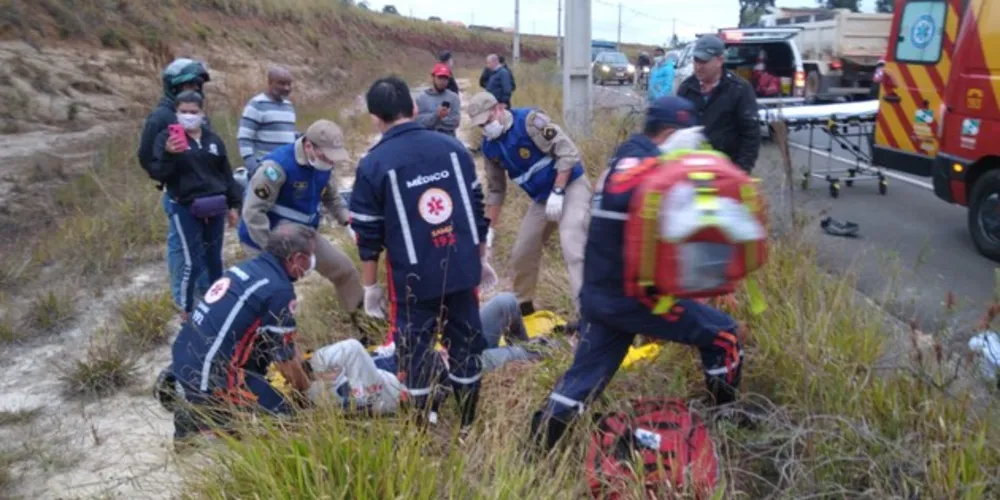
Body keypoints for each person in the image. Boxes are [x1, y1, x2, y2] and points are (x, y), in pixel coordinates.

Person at [528, 96, 745, 453]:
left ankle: (536, 452)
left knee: (581, 383)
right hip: (636, 299)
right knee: (724, 336)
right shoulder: (656, 171)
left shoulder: (624, 157)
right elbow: (675, 237)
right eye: (692, 134)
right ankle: (726, 428)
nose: (695, 143)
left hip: (599, 296)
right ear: (673, 132)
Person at [349, 76, 492, 430]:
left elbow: (368, 235)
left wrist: (370, 288)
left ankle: (422, 428)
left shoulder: (373, 165)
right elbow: (476, 210)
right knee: (466, 345)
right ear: (413, 109)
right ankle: (468, 424)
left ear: (375, 118)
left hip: (413, 281)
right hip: (461, 268)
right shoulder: (454, 150)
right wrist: (481, 257)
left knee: (414, 352)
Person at [169, 222, 316, 446]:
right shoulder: (279, 290)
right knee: (289, 421)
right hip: (210, 376)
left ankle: (198, 405)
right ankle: (205, 419)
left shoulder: (253, 268)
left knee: (261, 355)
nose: (313, 261)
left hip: (184, 356)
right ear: (297, 259)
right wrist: (306, 394)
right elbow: (285, 359)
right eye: (310, 256)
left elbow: (281, 341)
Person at [306, 293, 551, 415]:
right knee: (534, 349)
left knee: (506, 301)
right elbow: (350, 348)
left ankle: (524, 368)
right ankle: (540, 355)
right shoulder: (367, 393)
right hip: (458, 366)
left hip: (449, 344)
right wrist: (309, 368)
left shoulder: (356, 369)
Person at [237, 119, 368, 336]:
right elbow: (253, 213)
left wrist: (347, 220)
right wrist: (273, 253)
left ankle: (361, 326)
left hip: (303, 236)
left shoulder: (323, 165)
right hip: (264, 239)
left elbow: (332, 197)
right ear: (309, 147)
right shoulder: (276, 168)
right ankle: (271, 347)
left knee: (345, 271)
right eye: (326, 157)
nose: (331, 162)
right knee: (277, 294)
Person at [467, 91, 591, 317]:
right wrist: (489, 231)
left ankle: (588, 316)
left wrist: (558, 190)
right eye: (481, 126)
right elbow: (496, 190)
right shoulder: (490, 148)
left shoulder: (530, 122)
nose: (486, 128)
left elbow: (568, 153)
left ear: (499, 108)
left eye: (488, 121)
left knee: (572, 244)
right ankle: (522, 309)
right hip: (543, 199)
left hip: (571, 184)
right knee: (522, 252)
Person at [149, 91, 242, 318]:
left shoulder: (213, 141)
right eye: (184, 112)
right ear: (176, 113)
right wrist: (169, 154)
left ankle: (216, 304)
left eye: (194, 112)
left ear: (202, 113)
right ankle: (186, 309)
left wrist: (233, 205)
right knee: (191, 260)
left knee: (214, 258)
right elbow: (158, 173)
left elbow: (226, 175)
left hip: (216, 206)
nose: (189, 116)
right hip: (185, 207)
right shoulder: (166, 139)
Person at [137, 58, 213, 314]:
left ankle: (205, 294)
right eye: (187, 84)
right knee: (181, 248)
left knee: (203, 246)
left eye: (197, 83)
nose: (193, 88)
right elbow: (146, 157)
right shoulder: (161, 117)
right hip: (180, 194)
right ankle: (183, 301)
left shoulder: (194, 111)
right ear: (172, 86)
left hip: (204, 193)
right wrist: (166, 171)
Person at [676, 34, 760, 173]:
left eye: (704, 61)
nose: (698, 66)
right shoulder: (686, 88)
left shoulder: (739, 89)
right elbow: (677, 128)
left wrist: (741, 171)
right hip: (692, 170)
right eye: (696, 60)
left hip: (727, 171)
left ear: (720, 60)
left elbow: (751, 134)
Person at [237, 66, 298, 176]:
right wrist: (253, 167)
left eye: (289, 84)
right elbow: (244, 138)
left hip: (287, 169)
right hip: (265, 170)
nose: (286, 88)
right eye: (282, 84)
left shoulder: (289, 106)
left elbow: (286, 134)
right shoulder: (257, 105)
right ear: (270, 83)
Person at [415, 63, 462, 137]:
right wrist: (437, 116)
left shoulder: (454, 98)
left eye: (445, 78)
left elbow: (455, 122)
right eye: (440, 77)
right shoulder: (421, 98)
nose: (443, 81)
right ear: (433, 77)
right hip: (427, 139)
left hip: (448, 140)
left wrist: (433, 120)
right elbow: (417, 121)